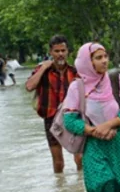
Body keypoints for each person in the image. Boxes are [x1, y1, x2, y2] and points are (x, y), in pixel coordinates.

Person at [62, 43, 120, 192]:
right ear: (86, 62)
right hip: (95, 145)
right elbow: (69, 120)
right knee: (101, 186)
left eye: (105, 56)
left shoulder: (117, 80)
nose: (104, 61)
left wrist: (110, 125)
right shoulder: (77, 87)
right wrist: (93, 131)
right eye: (98, 58)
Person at [26, 35, 83, 174]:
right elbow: (29, 86)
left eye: (63, 50)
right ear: (51, 52)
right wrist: (43, 68)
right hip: (51, 119)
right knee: (58, 163)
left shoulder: (75, 72)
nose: (60, 54)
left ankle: (81, 186)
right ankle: (59, 186)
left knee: (80, 158)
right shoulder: (43, 71)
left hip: (73, 117)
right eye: (57, 51)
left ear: (68, 51)